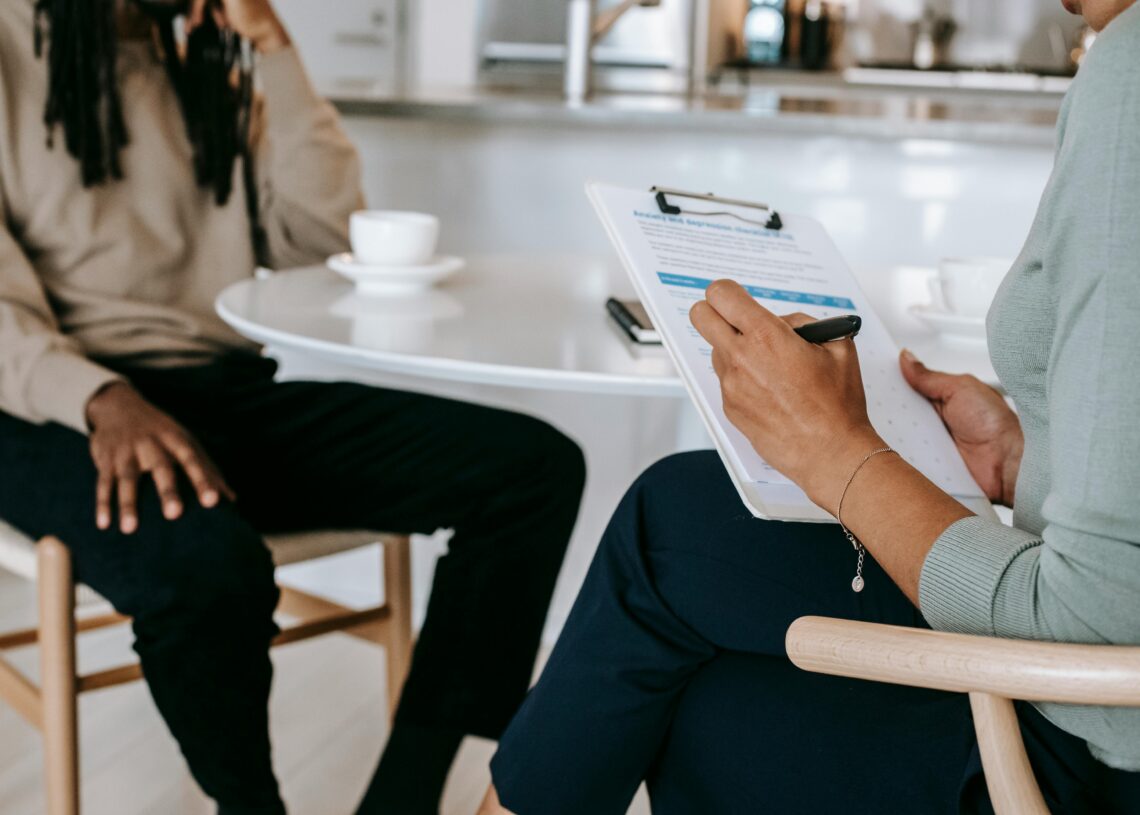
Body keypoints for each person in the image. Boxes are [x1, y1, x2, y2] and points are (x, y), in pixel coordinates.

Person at [479, 0, 1140, 812]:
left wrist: (838, 454)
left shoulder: (1134, 71)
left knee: (674, 539)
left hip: (1092, 760)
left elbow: (1097, 630)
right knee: (689, 579)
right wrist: (1027, 455)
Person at [0, 1, 585, 814]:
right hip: (50, 405)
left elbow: (319, 234)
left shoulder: (208, 62)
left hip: (221, 389)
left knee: (533, 468)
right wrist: (99, 396)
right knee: (208, 568)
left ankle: (406, 793)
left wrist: (274, 47)